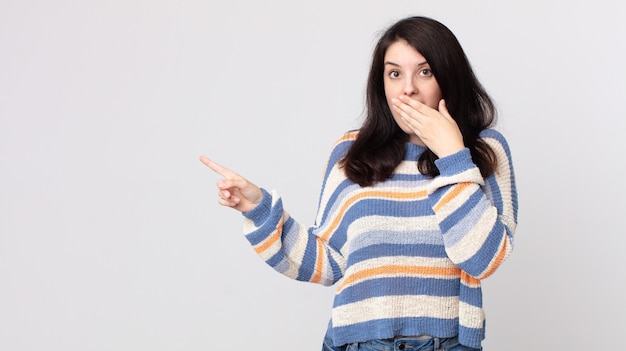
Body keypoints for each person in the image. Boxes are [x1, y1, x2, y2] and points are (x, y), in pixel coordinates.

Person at [200, 15, 518, 351]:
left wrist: (452, 155)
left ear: (449, 77)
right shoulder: (352, 151)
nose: (408, 87)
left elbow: (484, 259)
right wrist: (260, 209)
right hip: (357, 343)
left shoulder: (484, 150)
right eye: (394, 73)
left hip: (448, 343)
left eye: (425, 71)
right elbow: (329, 261)